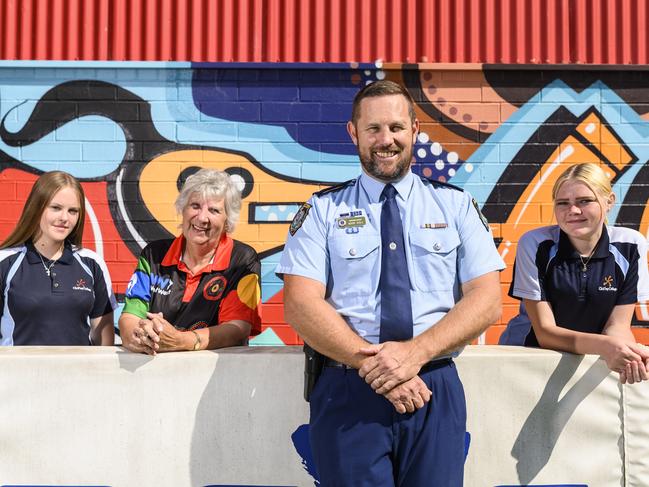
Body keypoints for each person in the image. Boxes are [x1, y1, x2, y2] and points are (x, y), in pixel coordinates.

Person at [276, 80, 505, 486]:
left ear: (415, 131)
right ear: (354, 133)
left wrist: (414, 355)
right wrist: (374, 366)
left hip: (432, 385)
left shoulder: (456, 207)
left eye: (397, 128)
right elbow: (299, 304)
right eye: (374, 129)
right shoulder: (322, 210)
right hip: (349, 385)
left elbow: (486, 300)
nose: (387, 140)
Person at [500, 162, 649, 384]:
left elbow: (617, 326)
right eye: (562, 203)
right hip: (529, 359)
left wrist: (630, 356)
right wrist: (607, 347)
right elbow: (545, 333)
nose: (573, 211)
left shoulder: (630, 244)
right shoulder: (536, 244)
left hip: (589, 360)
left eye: (584, 201)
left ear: (609, 202)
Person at [120, 169, 261, 354]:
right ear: (182, 209)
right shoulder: (154, 255)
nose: (202, 218)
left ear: (227, 220)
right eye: (195, 206)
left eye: (214, 210)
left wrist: (180, 341)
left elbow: (237, 328)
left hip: (218, 375)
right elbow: (129, 317)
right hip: (154, 368)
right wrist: (143, 339)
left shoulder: (242, 260)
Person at [0, 170, 116, 345]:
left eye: (73, 211)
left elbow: (104, 335)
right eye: (56, 208)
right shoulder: (5, 262)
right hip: (19, 372)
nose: (64, 218)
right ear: (36, 207)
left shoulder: (91, 263)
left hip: (80, 372)